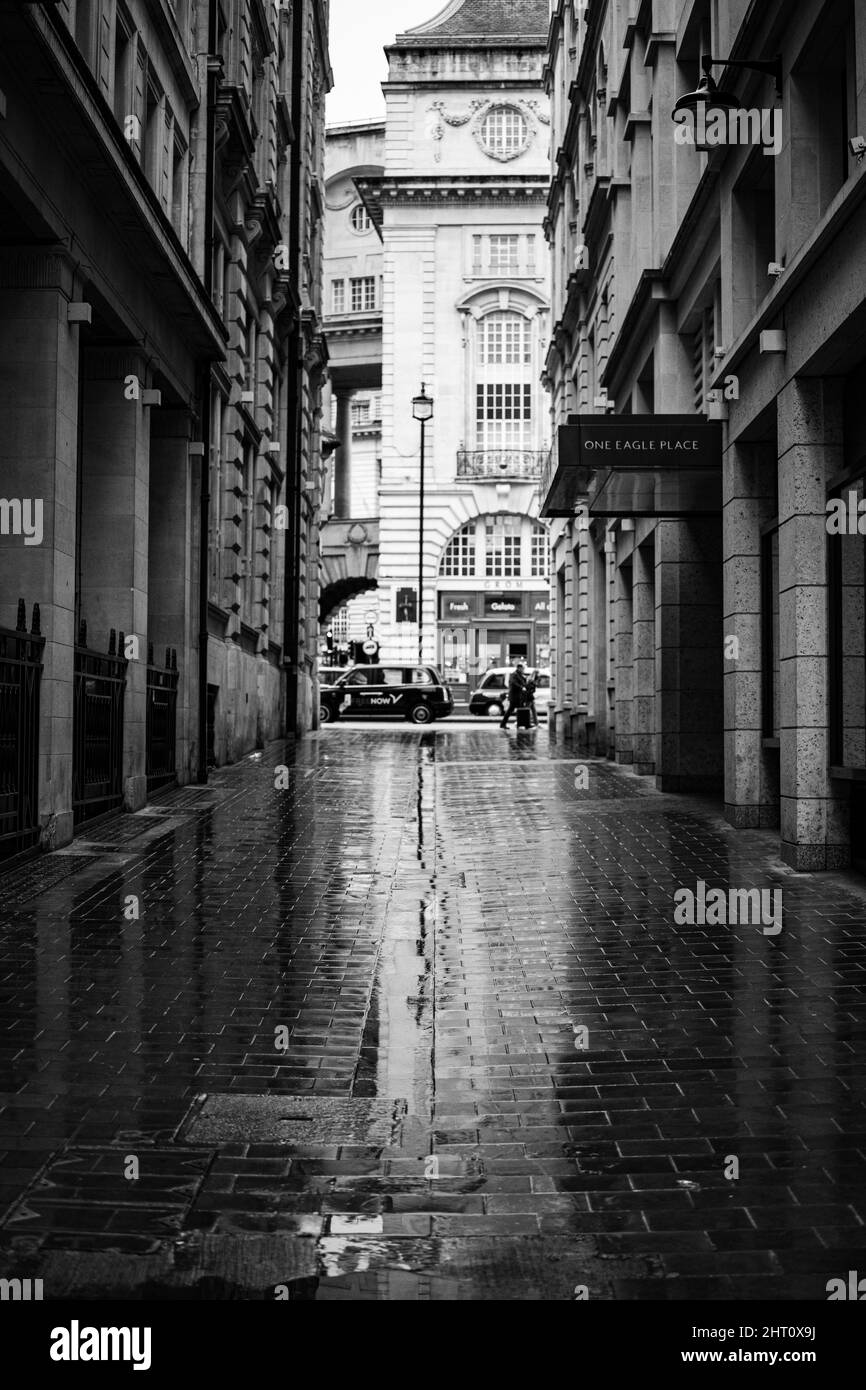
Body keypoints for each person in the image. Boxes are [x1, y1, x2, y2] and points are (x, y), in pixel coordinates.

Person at [500, 662, 528, 729]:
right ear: (519, 668)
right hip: (514, 697)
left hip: (519, 697)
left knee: (520, 710)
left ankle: (521, 724)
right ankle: (503, 724)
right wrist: (522, 687)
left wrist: (525, 678)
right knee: (510, 710)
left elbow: (523, 683)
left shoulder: (520, 675)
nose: (523, 670)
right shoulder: (514, 675)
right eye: (522, 668)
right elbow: (514, 683)